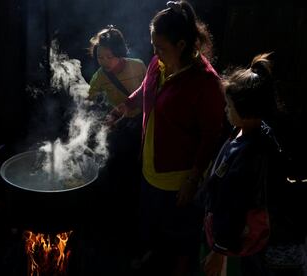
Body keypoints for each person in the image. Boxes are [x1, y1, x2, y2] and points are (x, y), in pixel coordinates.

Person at [107, 1, 225, 275]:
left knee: (179, 238)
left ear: (182, 44)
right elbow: (146, 89)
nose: (154, 52)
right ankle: (152, 259)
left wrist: (193, 179)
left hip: (178, 180)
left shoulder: (205, 83)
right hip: (150, 170)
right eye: (153, 46)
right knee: (151, 226)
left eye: (160, 47)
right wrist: (128, 104)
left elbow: (210, 135)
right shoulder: (159, 63)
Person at [201, 53, 292, 276]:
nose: (225, 111)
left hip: (234, 243)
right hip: (223, 229)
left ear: (249, 113)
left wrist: (219, 252)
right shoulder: (248, 130)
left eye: (229, 107)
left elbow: (235, 210)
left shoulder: (250, 157)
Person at [87, 26, 146, 231]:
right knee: (119, 167)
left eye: (108, 57)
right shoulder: (99, 77)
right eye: (100, 57)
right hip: (121, 127)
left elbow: (150, 90)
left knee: (139, 168)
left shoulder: (138, 67)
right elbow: (88, 100)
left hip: (144, 124)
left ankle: (136, 210)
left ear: (120, 52)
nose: (103, 62)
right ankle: (118, 213)